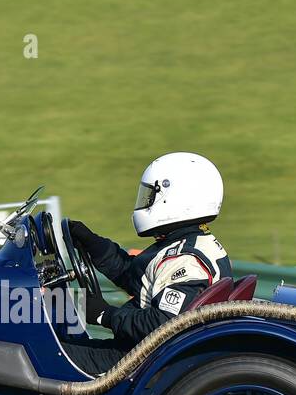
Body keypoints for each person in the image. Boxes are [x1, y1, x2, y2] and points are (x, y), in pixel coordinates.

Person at [64, 152, 232, 375]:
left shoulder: (187, 260)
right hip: (143, 354)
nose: (145, 202)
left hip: (141, 363)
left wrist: (106, 315)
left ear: (176, 197)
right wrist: (94, 245)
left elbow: (162, 324)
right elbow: (136, 277)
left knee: (36, 357)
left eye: (150, 196)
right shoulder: (188, 243)